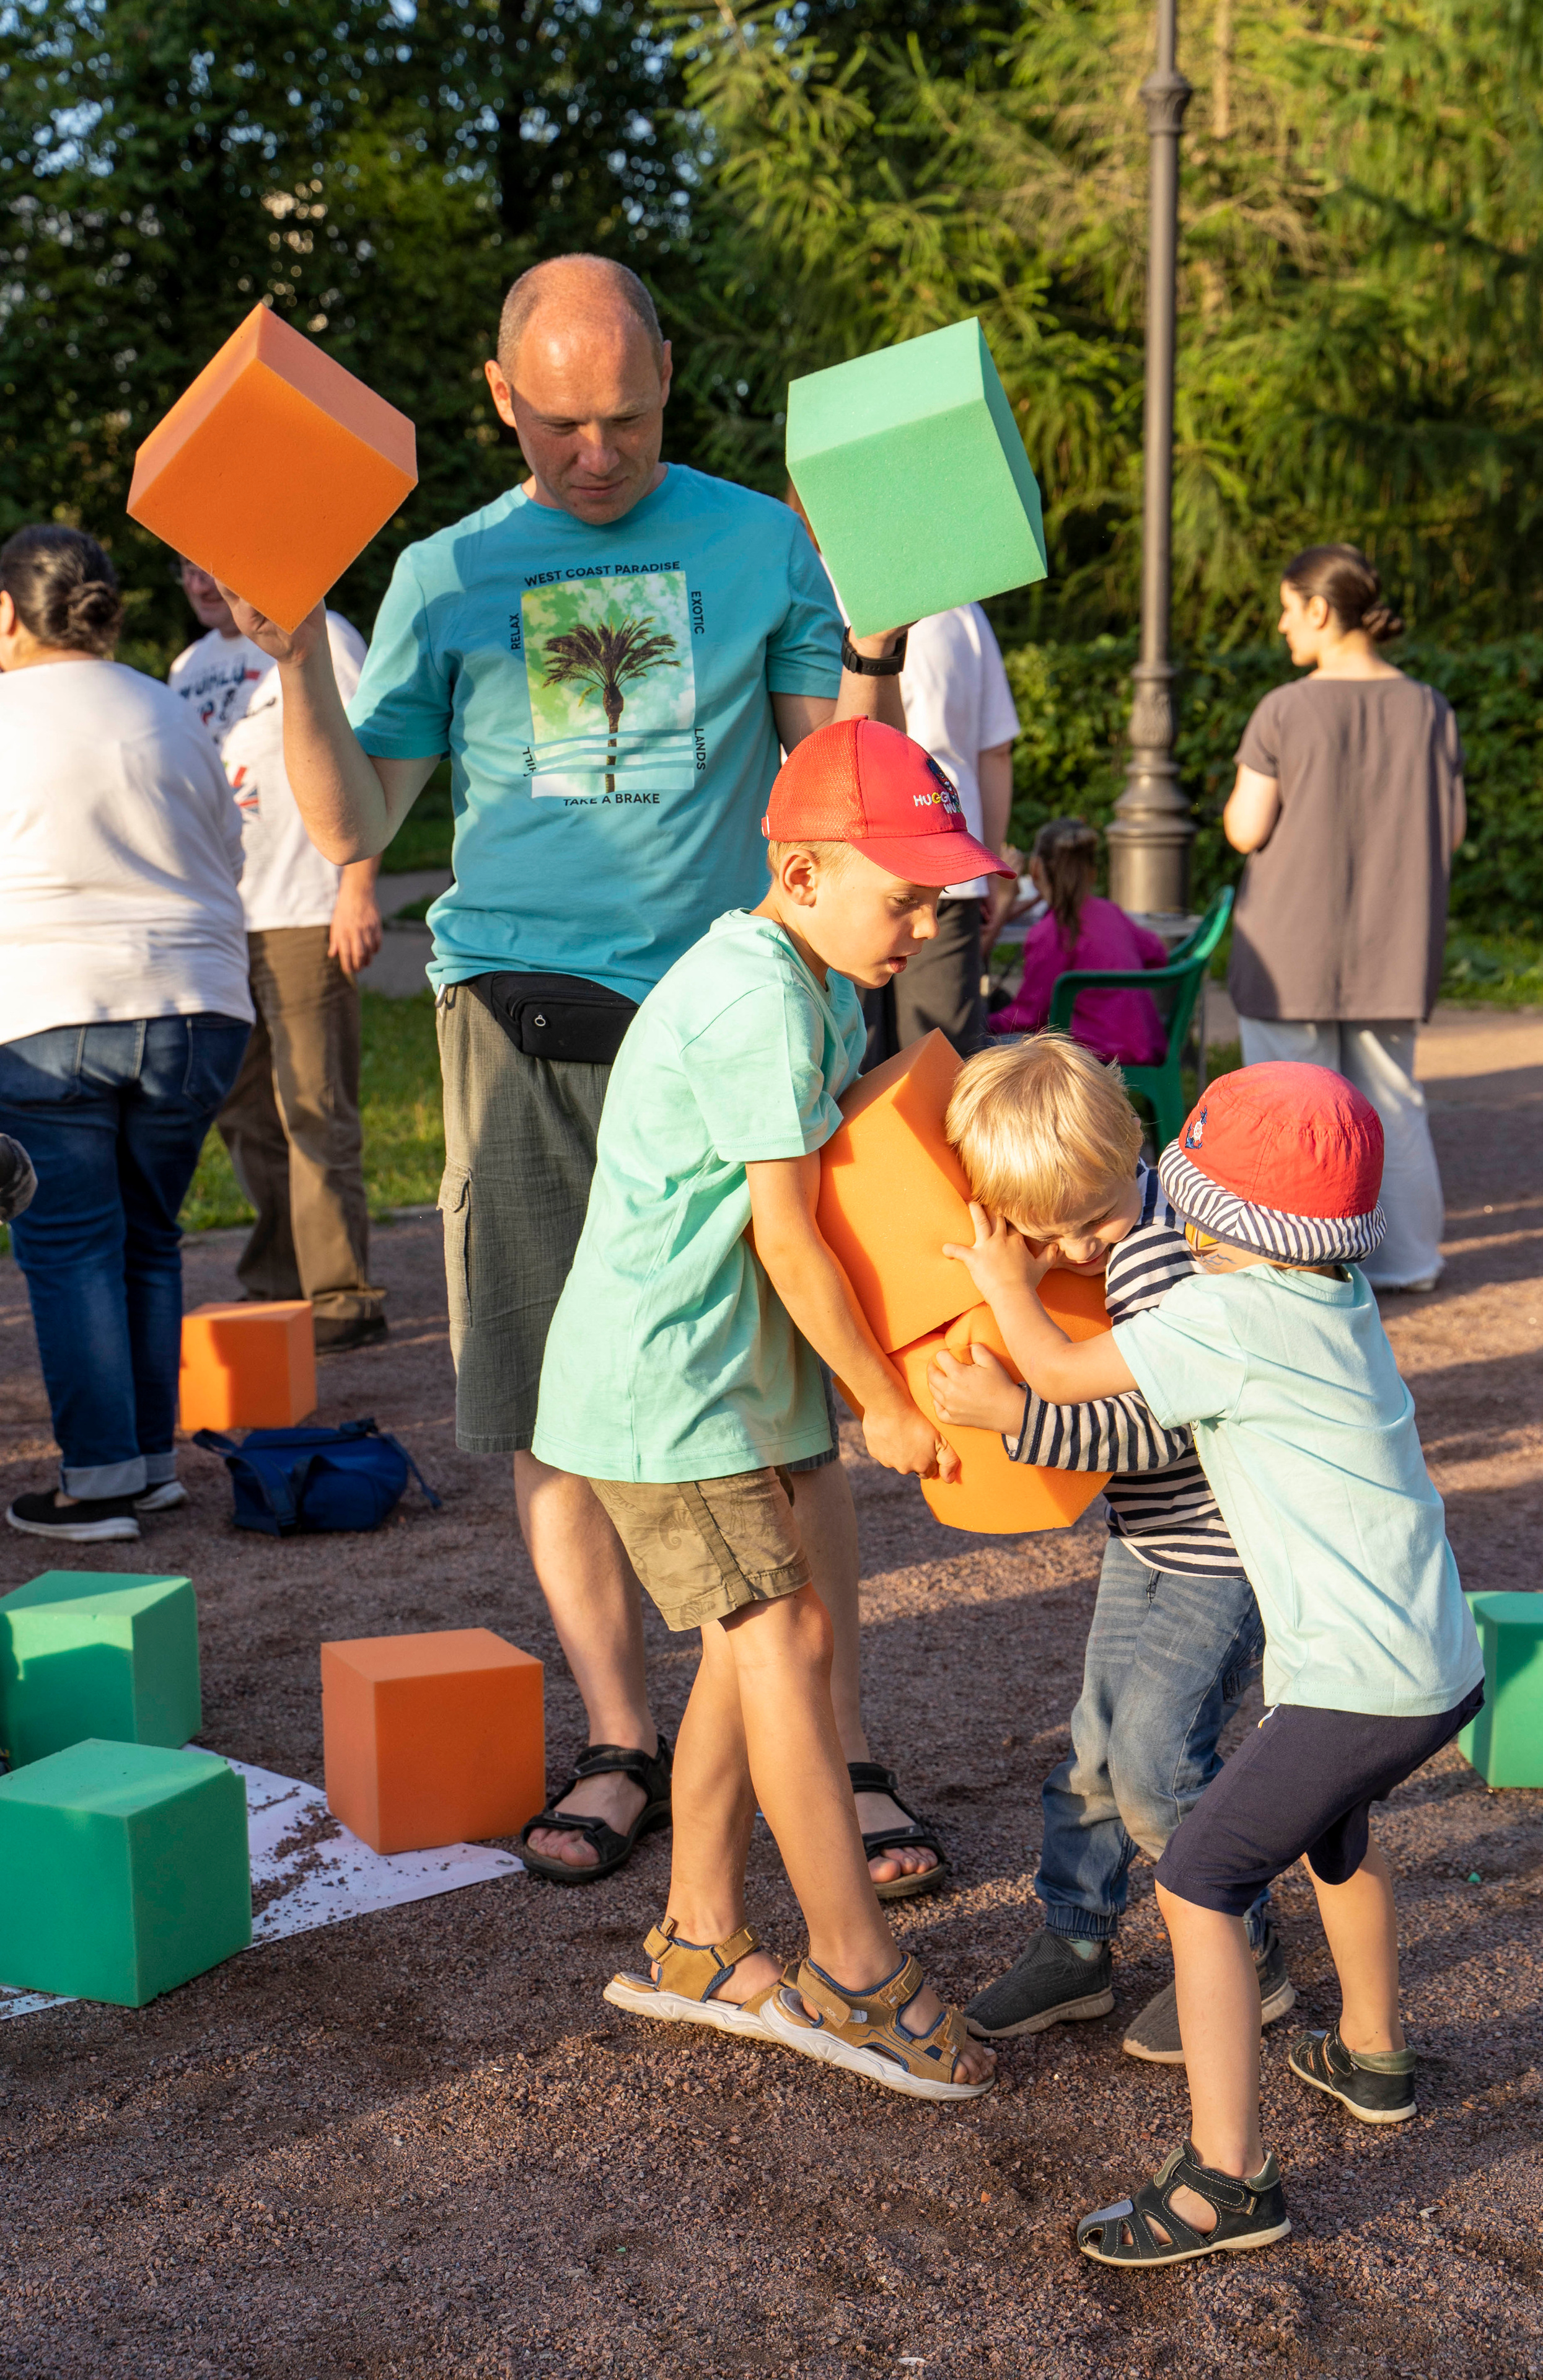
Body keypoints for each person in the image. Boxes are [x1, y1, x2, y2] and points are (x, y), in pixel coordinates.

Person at [212, 253, 941, 1893]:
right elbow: (354, 824)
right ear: (499, 398)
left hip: (729, 1023)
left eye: (623, 417)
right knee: (553, 1407)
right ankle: (623, 1740)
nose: (594, 455)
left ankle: (837, 1750)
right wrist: (295, 656)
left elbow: (845, 788)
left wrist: (876, 645)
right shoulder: (450, 569)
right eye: (558, 425)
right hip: (518, 1023)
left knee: (786, 1406)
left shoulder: (757, 540)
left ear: (668, 375)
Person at [931, 1060, 1482, 2264]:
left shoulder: (1227, 1314)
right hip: (1431, 1662)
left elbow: (1062, 1378)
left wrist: (1004, 1294)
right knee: (1334, 1837)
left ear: (1215, 1215)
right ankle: (1372, 2056)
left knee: (1196, 1880)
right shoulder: (1327, 1293)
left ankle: (1225, 2183)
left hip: (1354, 1683)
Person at [533, 717, 1007, 2097]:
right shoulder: (756, 999)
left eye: (938, 901)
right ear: (801, 875)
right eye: (902, 897)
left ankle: (695, 1938)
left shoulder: (810, 977)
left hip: (726, 1374)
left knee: (754, 1649)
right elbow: (790, 1240)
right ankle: (854, 1976)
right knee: (786, 1639)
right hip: (671, 1383)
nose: (925, 927)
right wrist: (884, 1402)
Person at [926, 1035, 1291, 2061]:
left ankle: (1247, 1952)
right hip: (1149, 1537)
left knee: (1156, 1765)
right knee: (1093, 1750)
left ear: (1131, 1143)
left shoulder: (1161, 1257)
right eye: (1051, 1233)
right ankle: (1076, 1944)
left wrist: (1015, 1414)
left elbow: (1153, 1431)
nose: (1081, 1248)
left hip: (1221, 1556)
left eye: (1092, 1217)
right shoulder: (1124, 1221)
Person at [0, 526, 252, 1543]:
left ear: (8, 613)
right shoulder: (170, 706)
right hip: (200, 1009)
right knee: (148, 1236)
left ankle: (99, 1482)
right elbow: (230, 850)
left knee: (68, 1247)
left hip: (51, 1009)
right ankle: (146, 1468)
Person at [1223, 543, 1464, 1292]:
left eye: (1288, 609)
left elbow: (1246, 829)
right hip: (1394, 943)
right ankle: (1410, 1261)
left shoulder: (1283, 709)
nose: (1281, 625)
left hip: (1289, 945)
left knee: (1291, 1110)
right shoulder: (1430, 709)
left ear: (1320, 610)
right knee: (1393, 1103)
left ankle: (1298, 1269)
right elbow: (1451, 831)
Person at [170, 563, 387, 1354]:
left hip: (303, 907)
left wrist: (357, 891)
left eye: (213, 567)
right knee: (245, 1113)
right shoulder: (188, 668)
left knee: (312, 1104)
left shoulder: (319, 635)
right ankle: (278, 1280)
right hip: (223, 921)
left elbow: (372, 755)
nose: (200, 583)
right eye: (186, 569)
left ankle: (340, 1296)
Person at [786, 488, 1019, 1060]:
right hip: (944, 870)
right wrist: (985, 870)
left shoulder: (803, 590)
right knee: (941, 1067)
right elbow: (995, 752)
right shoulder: (959, 608)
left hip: (834, 872)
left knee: (843, 1058)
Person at [987, 819, 1167, 1059]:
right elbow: (1157, 954)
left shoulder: (1050, 932)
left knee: (985, 1045)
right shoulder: (1110, 912)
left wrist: (981, 1021)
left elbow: (1028, 1017)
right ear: (1092, 872)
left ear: (1036, 868)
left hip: (1092, 1054)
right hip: (1143, 1046)